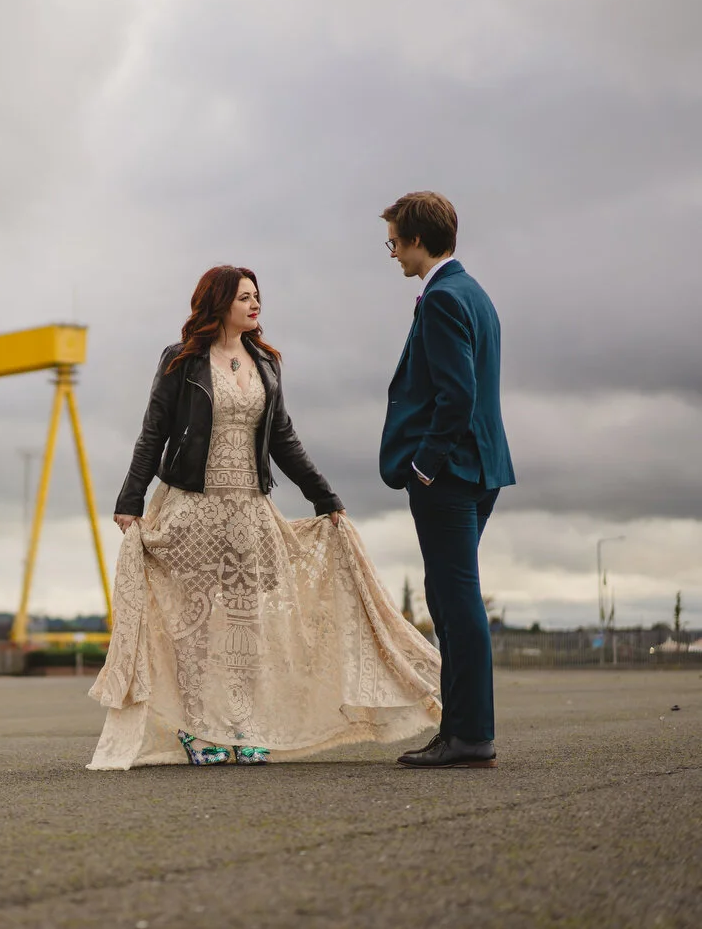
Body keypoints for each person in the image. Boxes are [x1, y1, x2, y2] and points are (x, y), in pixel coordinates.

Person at [88, 266, 441, 769]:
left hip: (249, 511)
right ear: (218, 304)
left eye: (258, 297)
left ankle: (242, 723)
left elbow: (283, 440)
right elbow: (154, 433)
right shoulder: (182, 360)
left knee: (246, 624)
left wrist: (325, 497)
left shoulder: (266, 363)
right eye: (244, 298)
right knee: (196, 627)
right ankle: (198, 728)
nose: (255, 306)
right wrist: (131, 500)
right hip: (192, 509)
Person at [379, 192, 514, 769]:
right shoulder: (475, 293)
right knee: (449, 596)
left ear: (415, 239)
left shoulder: (440, 299)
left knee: (455, 601)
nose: (392, 255)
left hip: (451, 474)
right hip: (482, 469)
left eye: (393, 242)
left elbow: (456, 395)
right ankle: (458, 731)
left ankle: (470, 735)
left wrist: (423, 466)